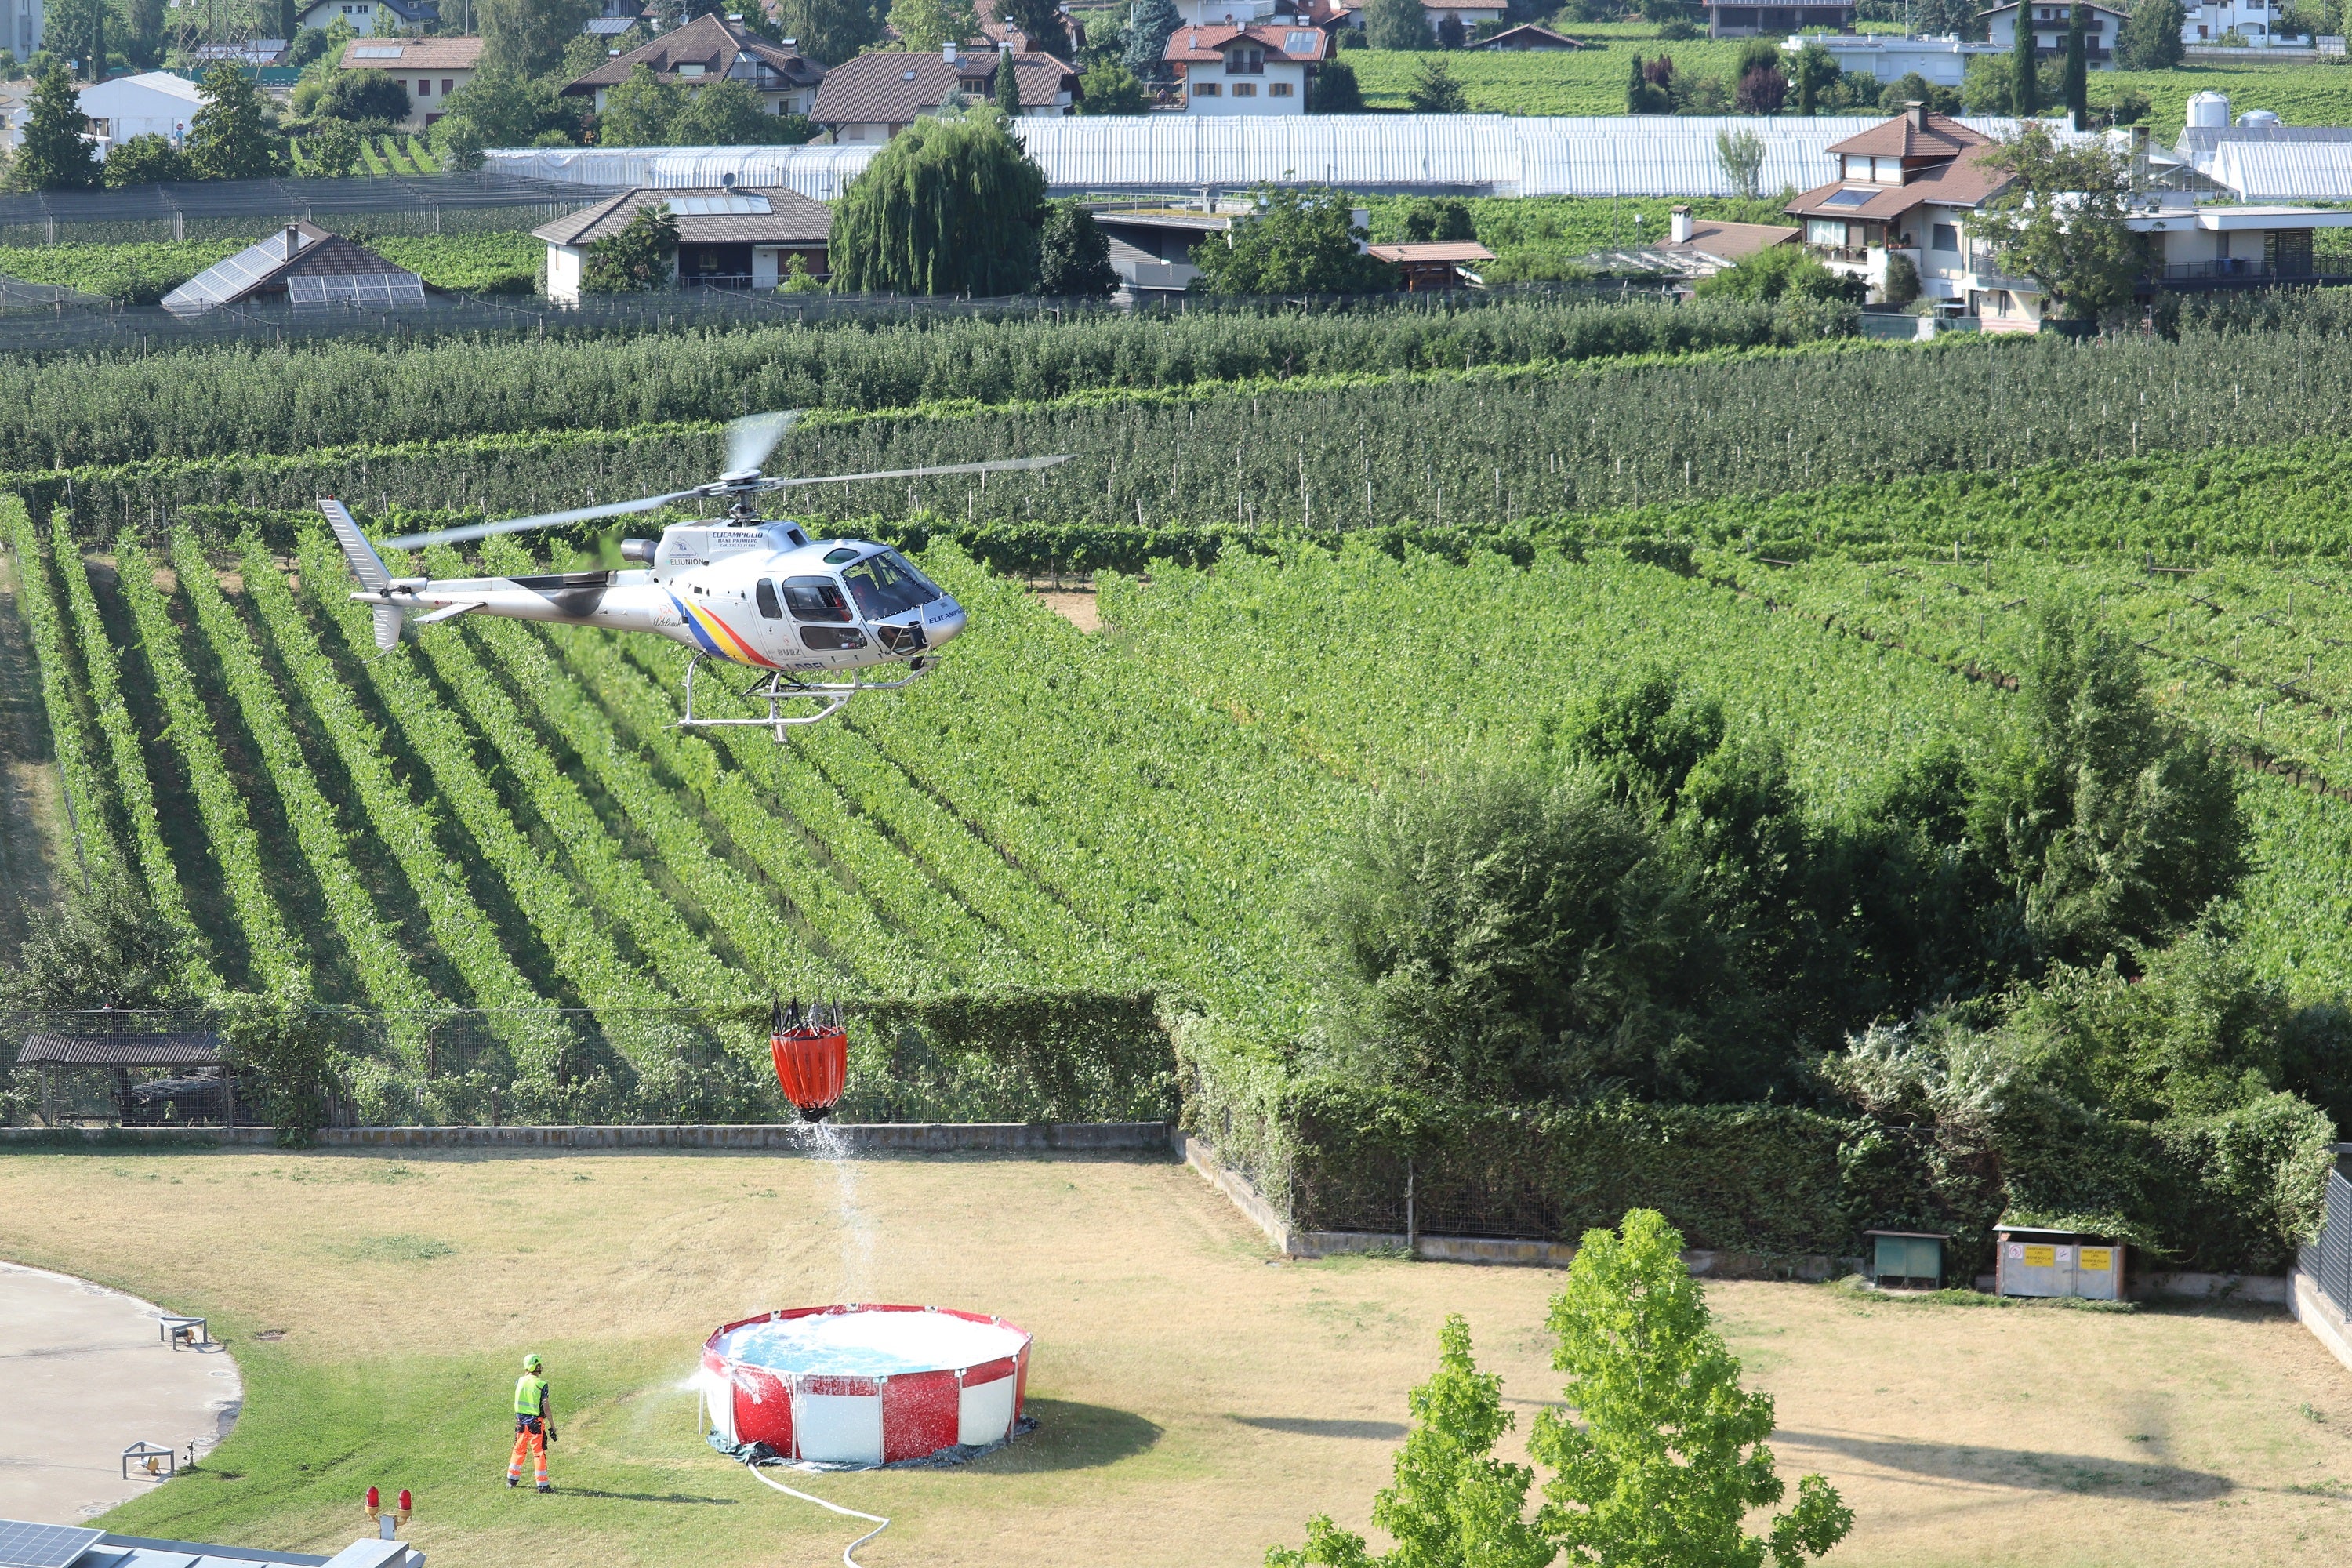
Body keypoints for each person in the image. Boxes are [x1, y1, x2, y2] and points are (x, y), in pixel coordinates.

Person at [509, 1353, 556, 1493]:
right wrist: (553, 1427)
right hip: (535, 1424)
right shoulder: (541, 1385)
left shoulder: (520, 1381)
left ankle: (511, 1480)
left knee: (518, 1450)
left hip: (520, 1423)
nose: (540, 1368)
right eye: (539, 1365)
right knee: (539, 1454)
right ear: (534, 1365)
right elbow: (546, 1408)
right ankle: (543, 1485)